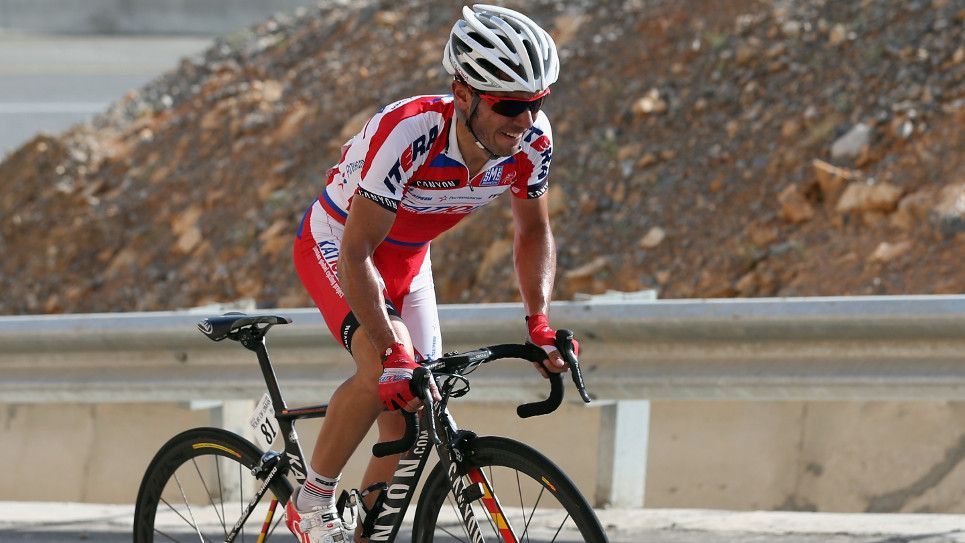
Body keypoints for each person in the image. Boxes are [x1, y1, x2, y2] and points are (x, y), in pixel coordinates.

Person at [286, 4, 578, 542]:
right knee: (382, 368)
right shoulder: (411, 132)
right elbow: (357, 251)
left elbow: (533, 231)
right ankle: (312, 497)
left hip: (409, 259)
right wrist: (390, 348)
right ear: (462, 93)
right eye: (510, 104)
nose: (525, 120)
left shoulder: (532, 142)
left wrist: (538, 322)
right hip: (339, 244)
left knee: (415, 412)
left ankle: (363, 536)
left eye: (537, 103)